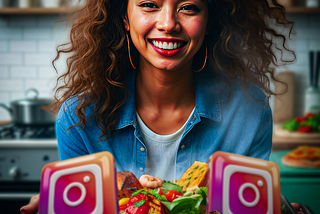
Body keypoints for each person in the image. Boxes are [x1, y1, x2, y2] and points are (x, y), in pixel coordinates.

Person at [20, 0, 305, 213]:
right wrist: (57, 204)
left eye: (189, 7)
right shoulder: (78, 118)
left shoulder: (250, 113)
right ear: (125, 18)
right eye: (149, 4)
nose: (168, 23)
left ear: (209, 22)